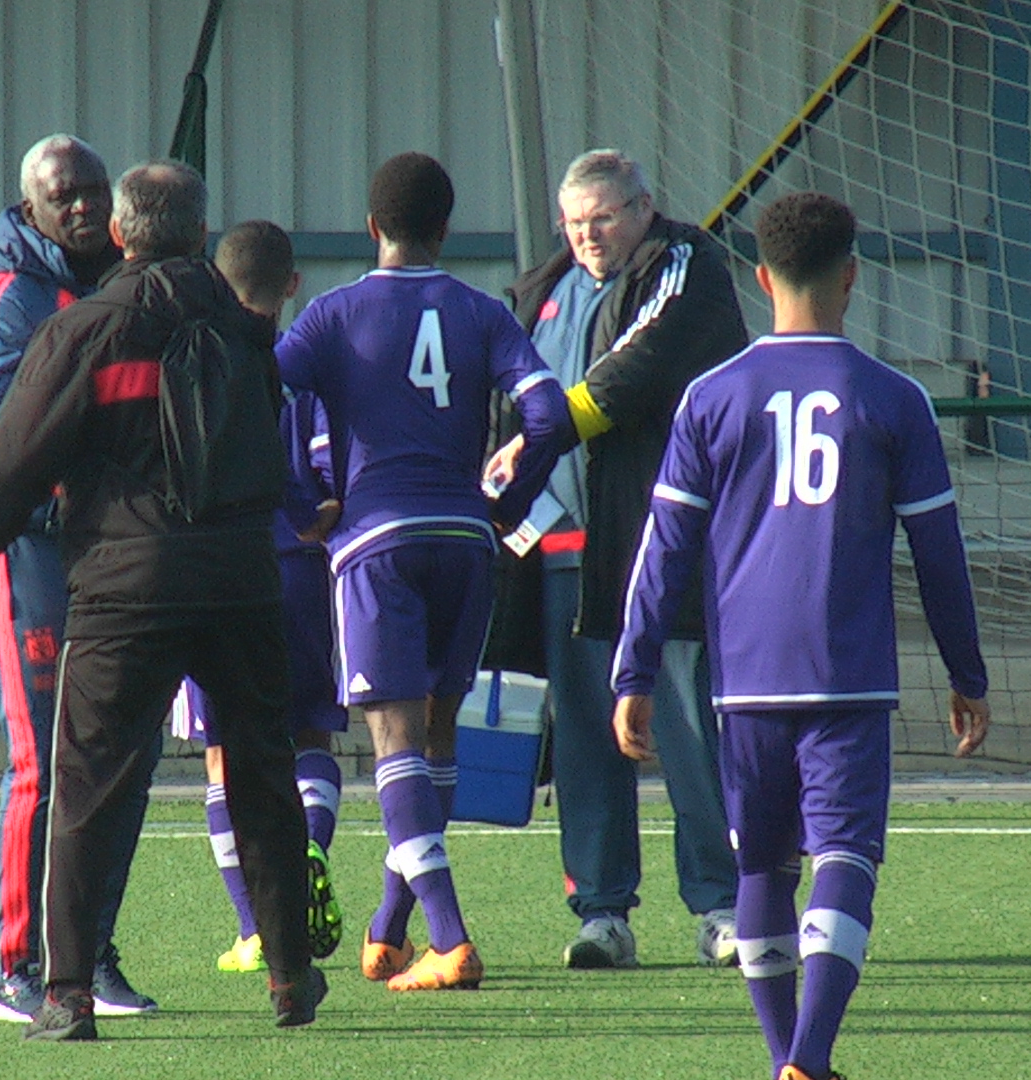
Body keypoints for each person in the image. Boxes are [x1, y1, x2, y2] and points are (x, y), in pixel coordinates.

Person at [0, 160, 325, 1039]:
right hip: (242, 584)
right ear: (201, 233)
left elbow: (6, 468)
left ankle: (65, 993)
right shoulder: (247, 330)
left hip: (124, 585)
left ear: (118, 233)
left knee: (85, 785)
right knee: (262, 776)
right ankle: (291, 975)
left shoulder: (86, 330)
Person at [610, 191, 990, 1080]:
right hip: (848, 678)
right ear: (851, 276)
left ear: (760, 277)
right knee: (846, 857)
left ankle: (787, 1057)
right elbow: (940, 552)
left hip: (744, 683)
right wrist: (966, 672)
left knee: (762, 870)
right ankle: (809, 1060)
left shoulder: (712, 396)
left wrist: (634, 672)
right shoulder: (894, 398)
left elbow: (663, 551)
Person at [275, 152, 575, 992]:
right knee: (438, 733)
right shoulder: (482, 312)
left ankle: (450, 939)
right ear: (445, 229)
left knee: (393, 740)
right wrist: (508, 503)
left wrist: (302, 502)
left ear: (373, 227)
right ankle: (389, 930)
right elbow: (549, 414)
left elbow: (264, 396)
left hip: (378, 542)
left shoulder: (333, 315)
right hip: (466, 540)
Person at [485, 148, 746, 969]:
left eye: (602, 217)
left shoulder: (684, 265)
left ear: (642, 208)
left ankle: (725, 907)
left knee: (688, 732)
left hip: (661, 551)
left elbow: (639, 368)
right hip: (563, 553)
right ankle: (602, 915)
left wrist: (543, 434)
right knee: (586, 742)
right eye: (575, 222)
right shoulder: (539, 291)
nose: (588, 235)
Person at [0, 135, 155, 1022]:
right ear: (29, 205)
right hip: (21, 539)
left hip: (102, 542)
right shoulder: (1, 289)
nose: (82, 206)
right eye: (63, 195)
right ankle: (16, 968)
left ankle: (88, 950)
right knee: (41, 756)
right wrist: (83, 490)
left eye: (92, 189)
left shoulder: (123, 276)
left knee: (121, 750)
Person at [185, 220, 346, 973]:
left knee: (224, 755)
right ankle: (310, 849)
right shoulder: (303, 374)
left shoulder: (197, 366)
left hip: (217, 572)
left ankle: (254, 928)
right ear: (291, 287)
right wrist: (313, 516)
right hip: (300, 572)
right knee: (309, 735)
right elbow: (330, 484)